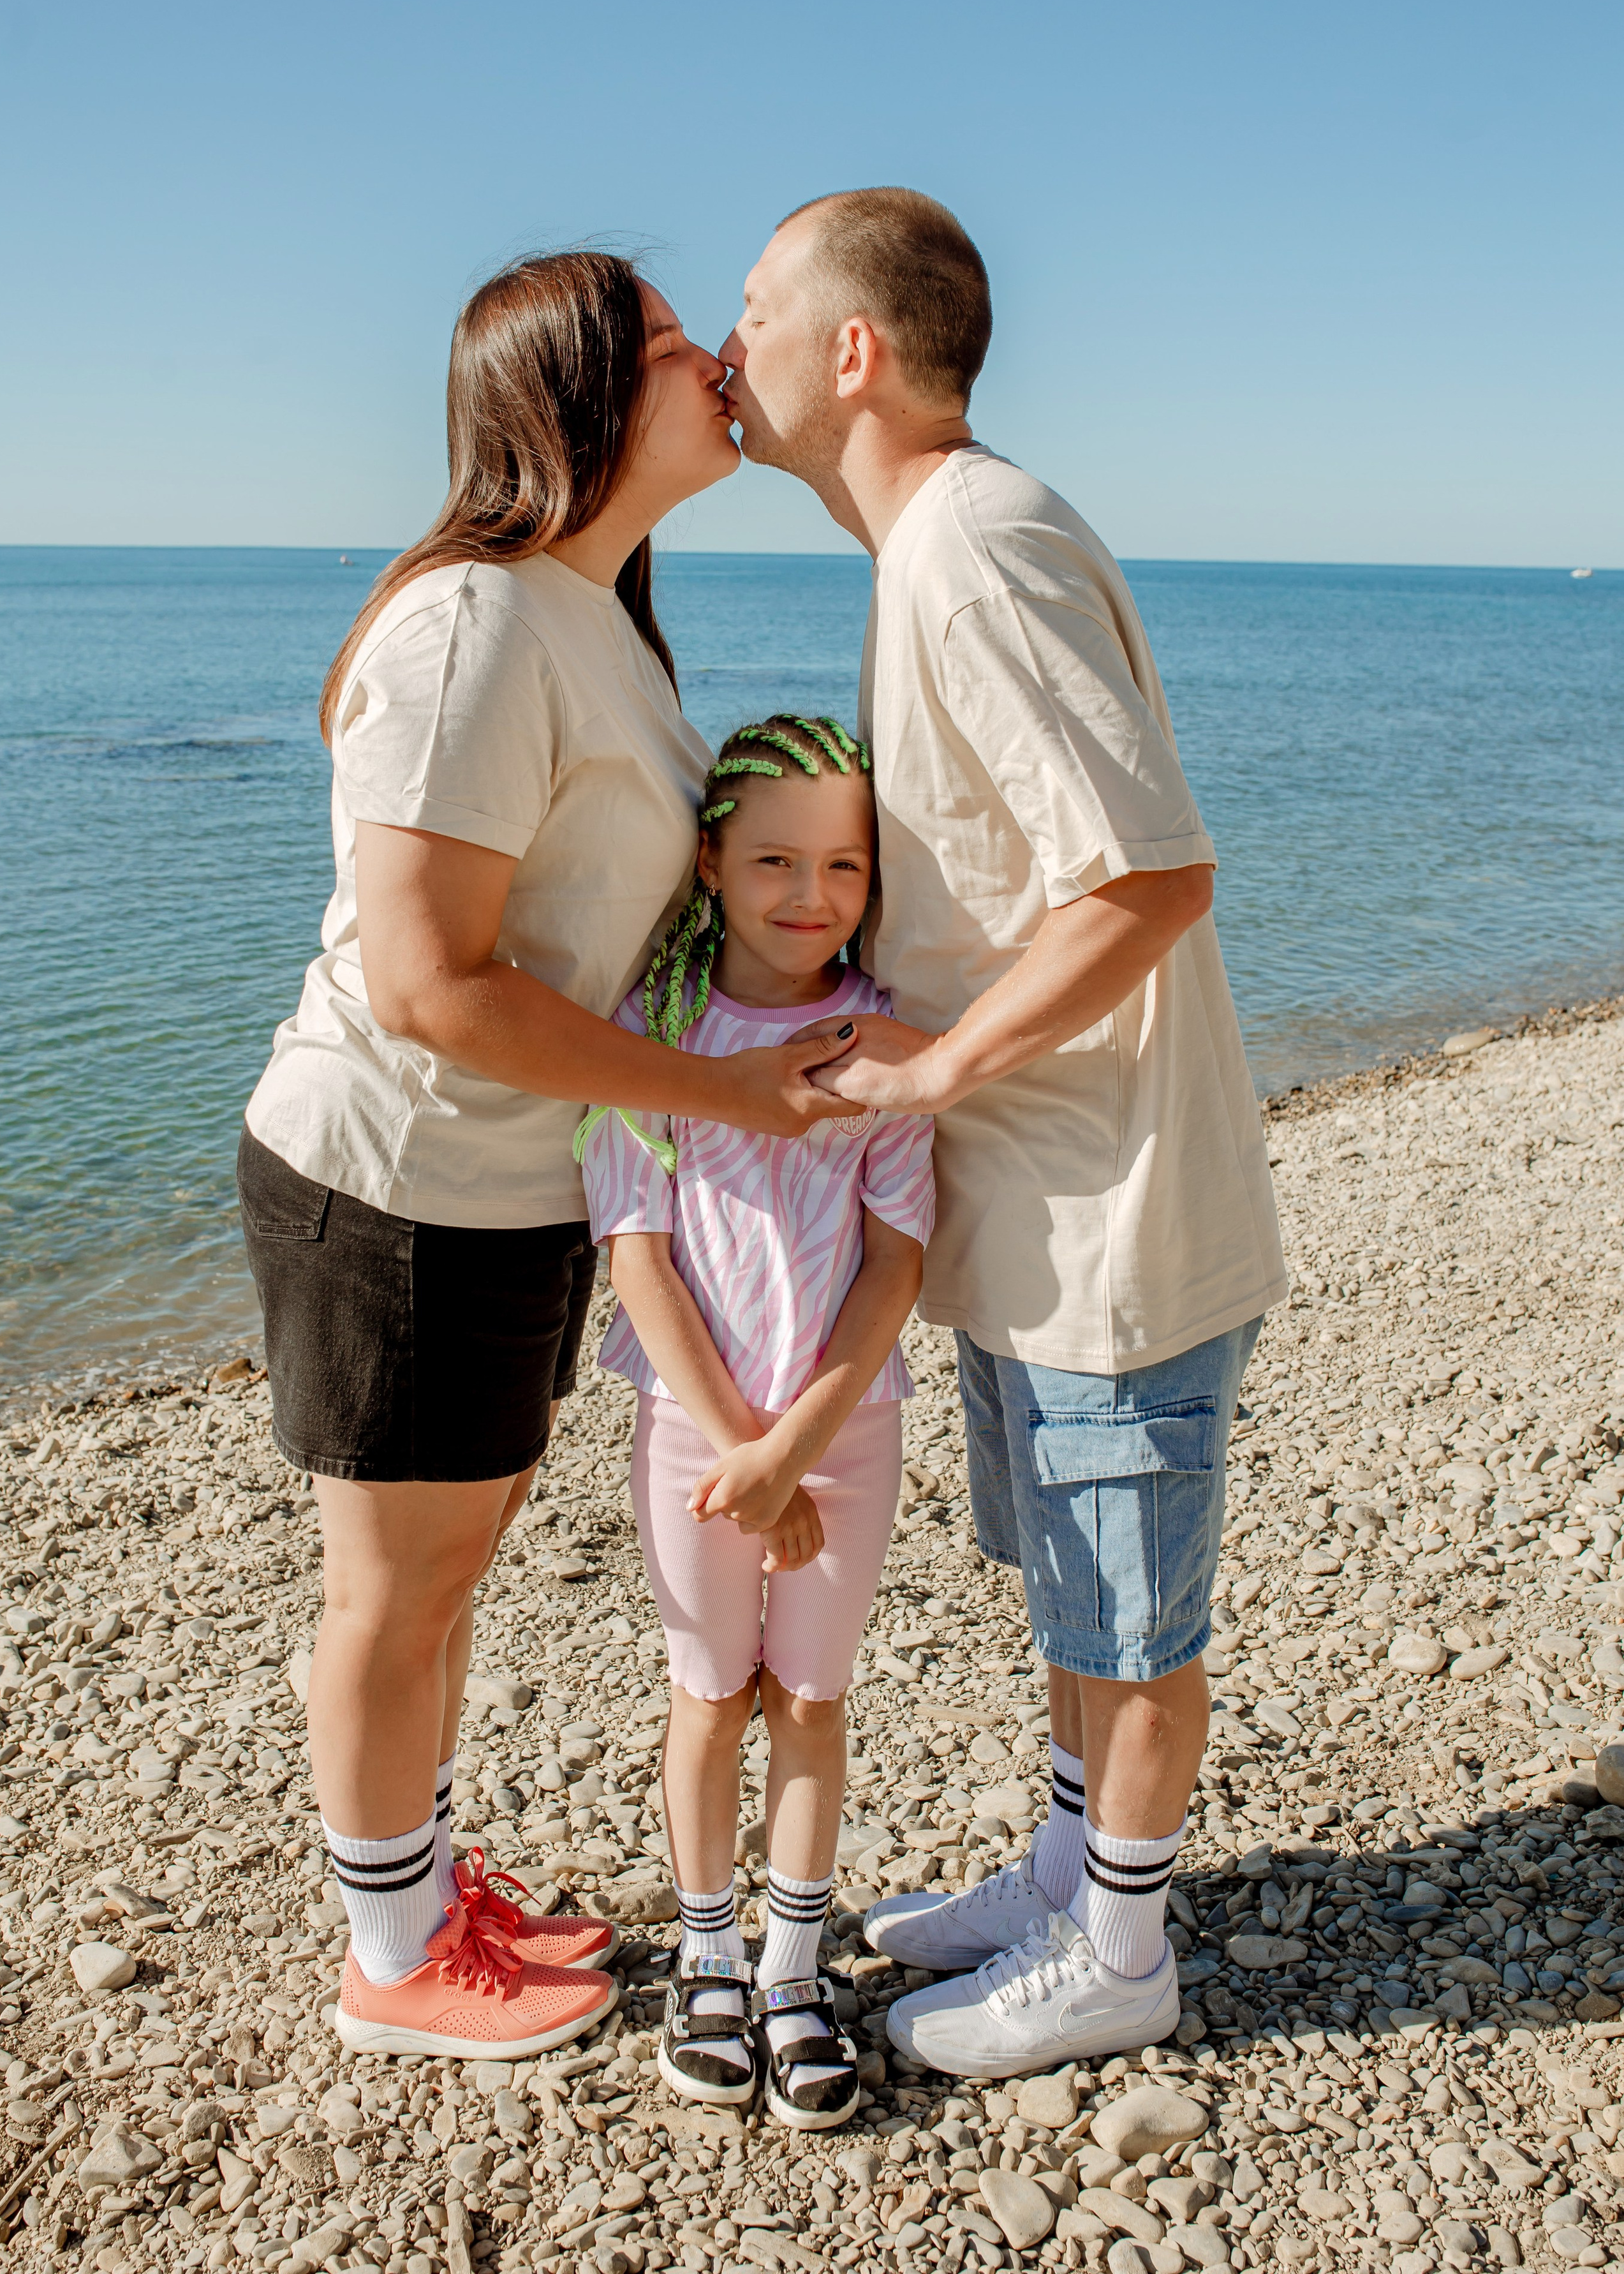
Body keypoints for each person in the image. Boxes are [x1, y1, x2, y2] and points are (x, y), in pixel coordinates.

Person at [238, 250, 864, 2062]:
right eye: (675, 343)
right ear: (574, 397)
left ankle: (421, 1883)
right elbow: (434, 983)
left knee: (457, 1557)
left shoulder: (593, 618)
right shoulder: (474, 625)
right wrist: (740, 1104)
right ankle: (390, 1956)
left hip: (514, 1184)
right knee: (397, 1581)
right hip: (397, 1178)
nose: (720, 360)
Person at [716, 190, 1288, 2074]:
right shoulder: (936, 549)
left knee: (1127, 1602)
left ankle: (1124, 1953)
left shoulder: (971, 544)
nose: (734, 353)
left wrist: (922, 1076)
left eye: (755, 313)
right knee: (1070, 1580)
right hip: (1037, 1201)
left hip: (1106, 1198)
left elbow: (1147, 877)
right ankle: (1068, 1875)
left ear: (853, 351)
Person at [579, 715, 934, 2127]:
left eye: (843, 863)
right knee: (709, 1693)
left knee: (810, 1699)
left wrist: (794, 1449)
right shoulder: (653, 1035)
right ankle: (709, 1952)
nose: (810, 893)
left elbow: (896, 1261)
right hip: (691, 1436)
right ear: (712, 859)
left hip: (844, 1431)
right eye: (775, 858)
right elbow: (637, 1253)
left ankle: (796, 1968)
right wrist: (742, 1449)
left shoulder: (879, 1042)